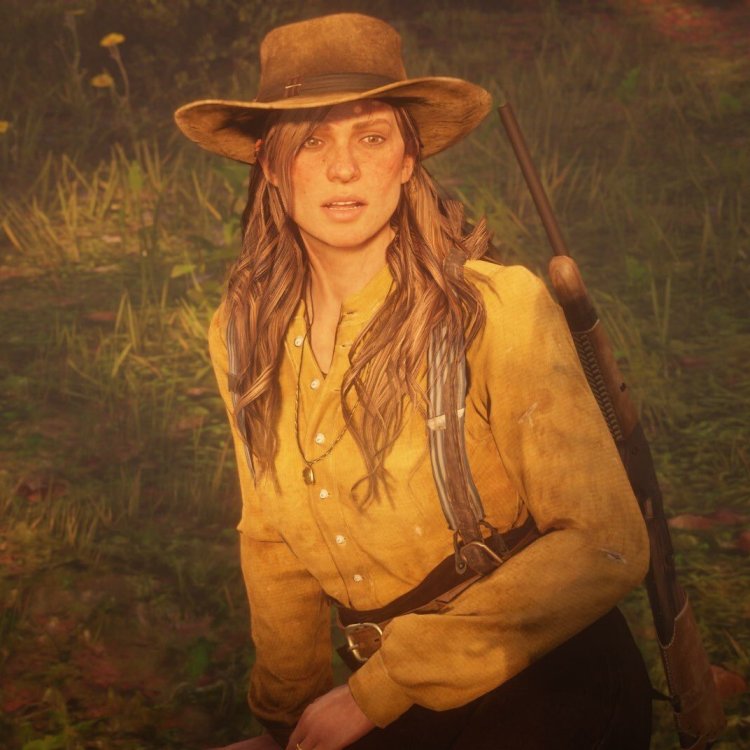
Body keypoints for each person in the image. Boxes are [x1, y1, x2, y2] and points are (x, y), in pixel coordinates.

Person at [174, 12, 653, 750]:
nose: (343, 169)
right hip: (379, 698)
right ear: (269, 164)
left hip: (537, 678)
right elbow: (272, 542)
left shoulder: (493, 309)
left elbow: (602, 543)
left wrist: (379, 690)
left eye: (371, 138)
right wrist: (287, 721)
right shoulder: (242, 333)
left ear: (407, 158)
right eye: (311, 141)